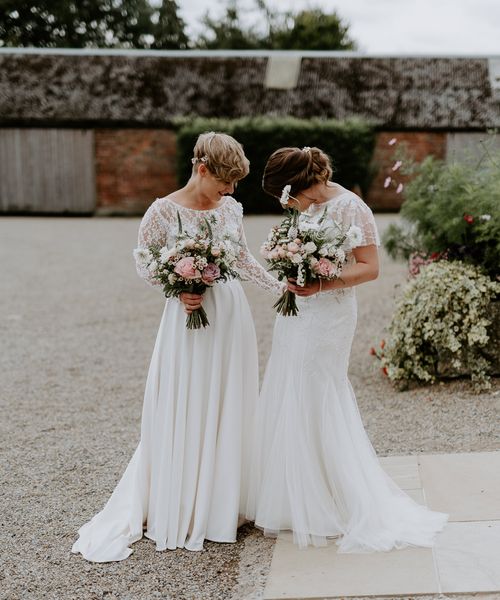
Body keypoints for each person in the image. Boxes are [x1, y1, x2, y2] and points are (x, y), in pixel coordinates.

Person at [71, 132, 284, 562]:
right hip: (186, 320)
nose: (231, 190)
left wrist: (278, 287)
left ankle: (223, 501)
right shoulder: (162, 211)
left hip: (229, 315)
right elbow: (144, 260)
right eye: (225, 181)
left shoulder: (231, 208)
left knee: (228, 400)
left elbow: (240, 257)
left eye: (235, 184)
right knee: (186, 399)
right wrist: (176, 288)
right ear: (201, 169)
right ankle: (185, 499)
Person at [245, 146, 448, 552]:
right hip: (299, 310)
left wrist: (323, 283)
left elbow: (369, 267)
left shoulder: (352, 208)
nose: (285, 205)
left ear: (302, 184)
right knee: (290, 384)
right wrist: (292, 268)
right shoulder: (306, 206)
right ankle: (292, 494)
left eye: (286, 196)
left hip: (330, 313)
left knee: (319, 389)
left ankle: (332, 498)